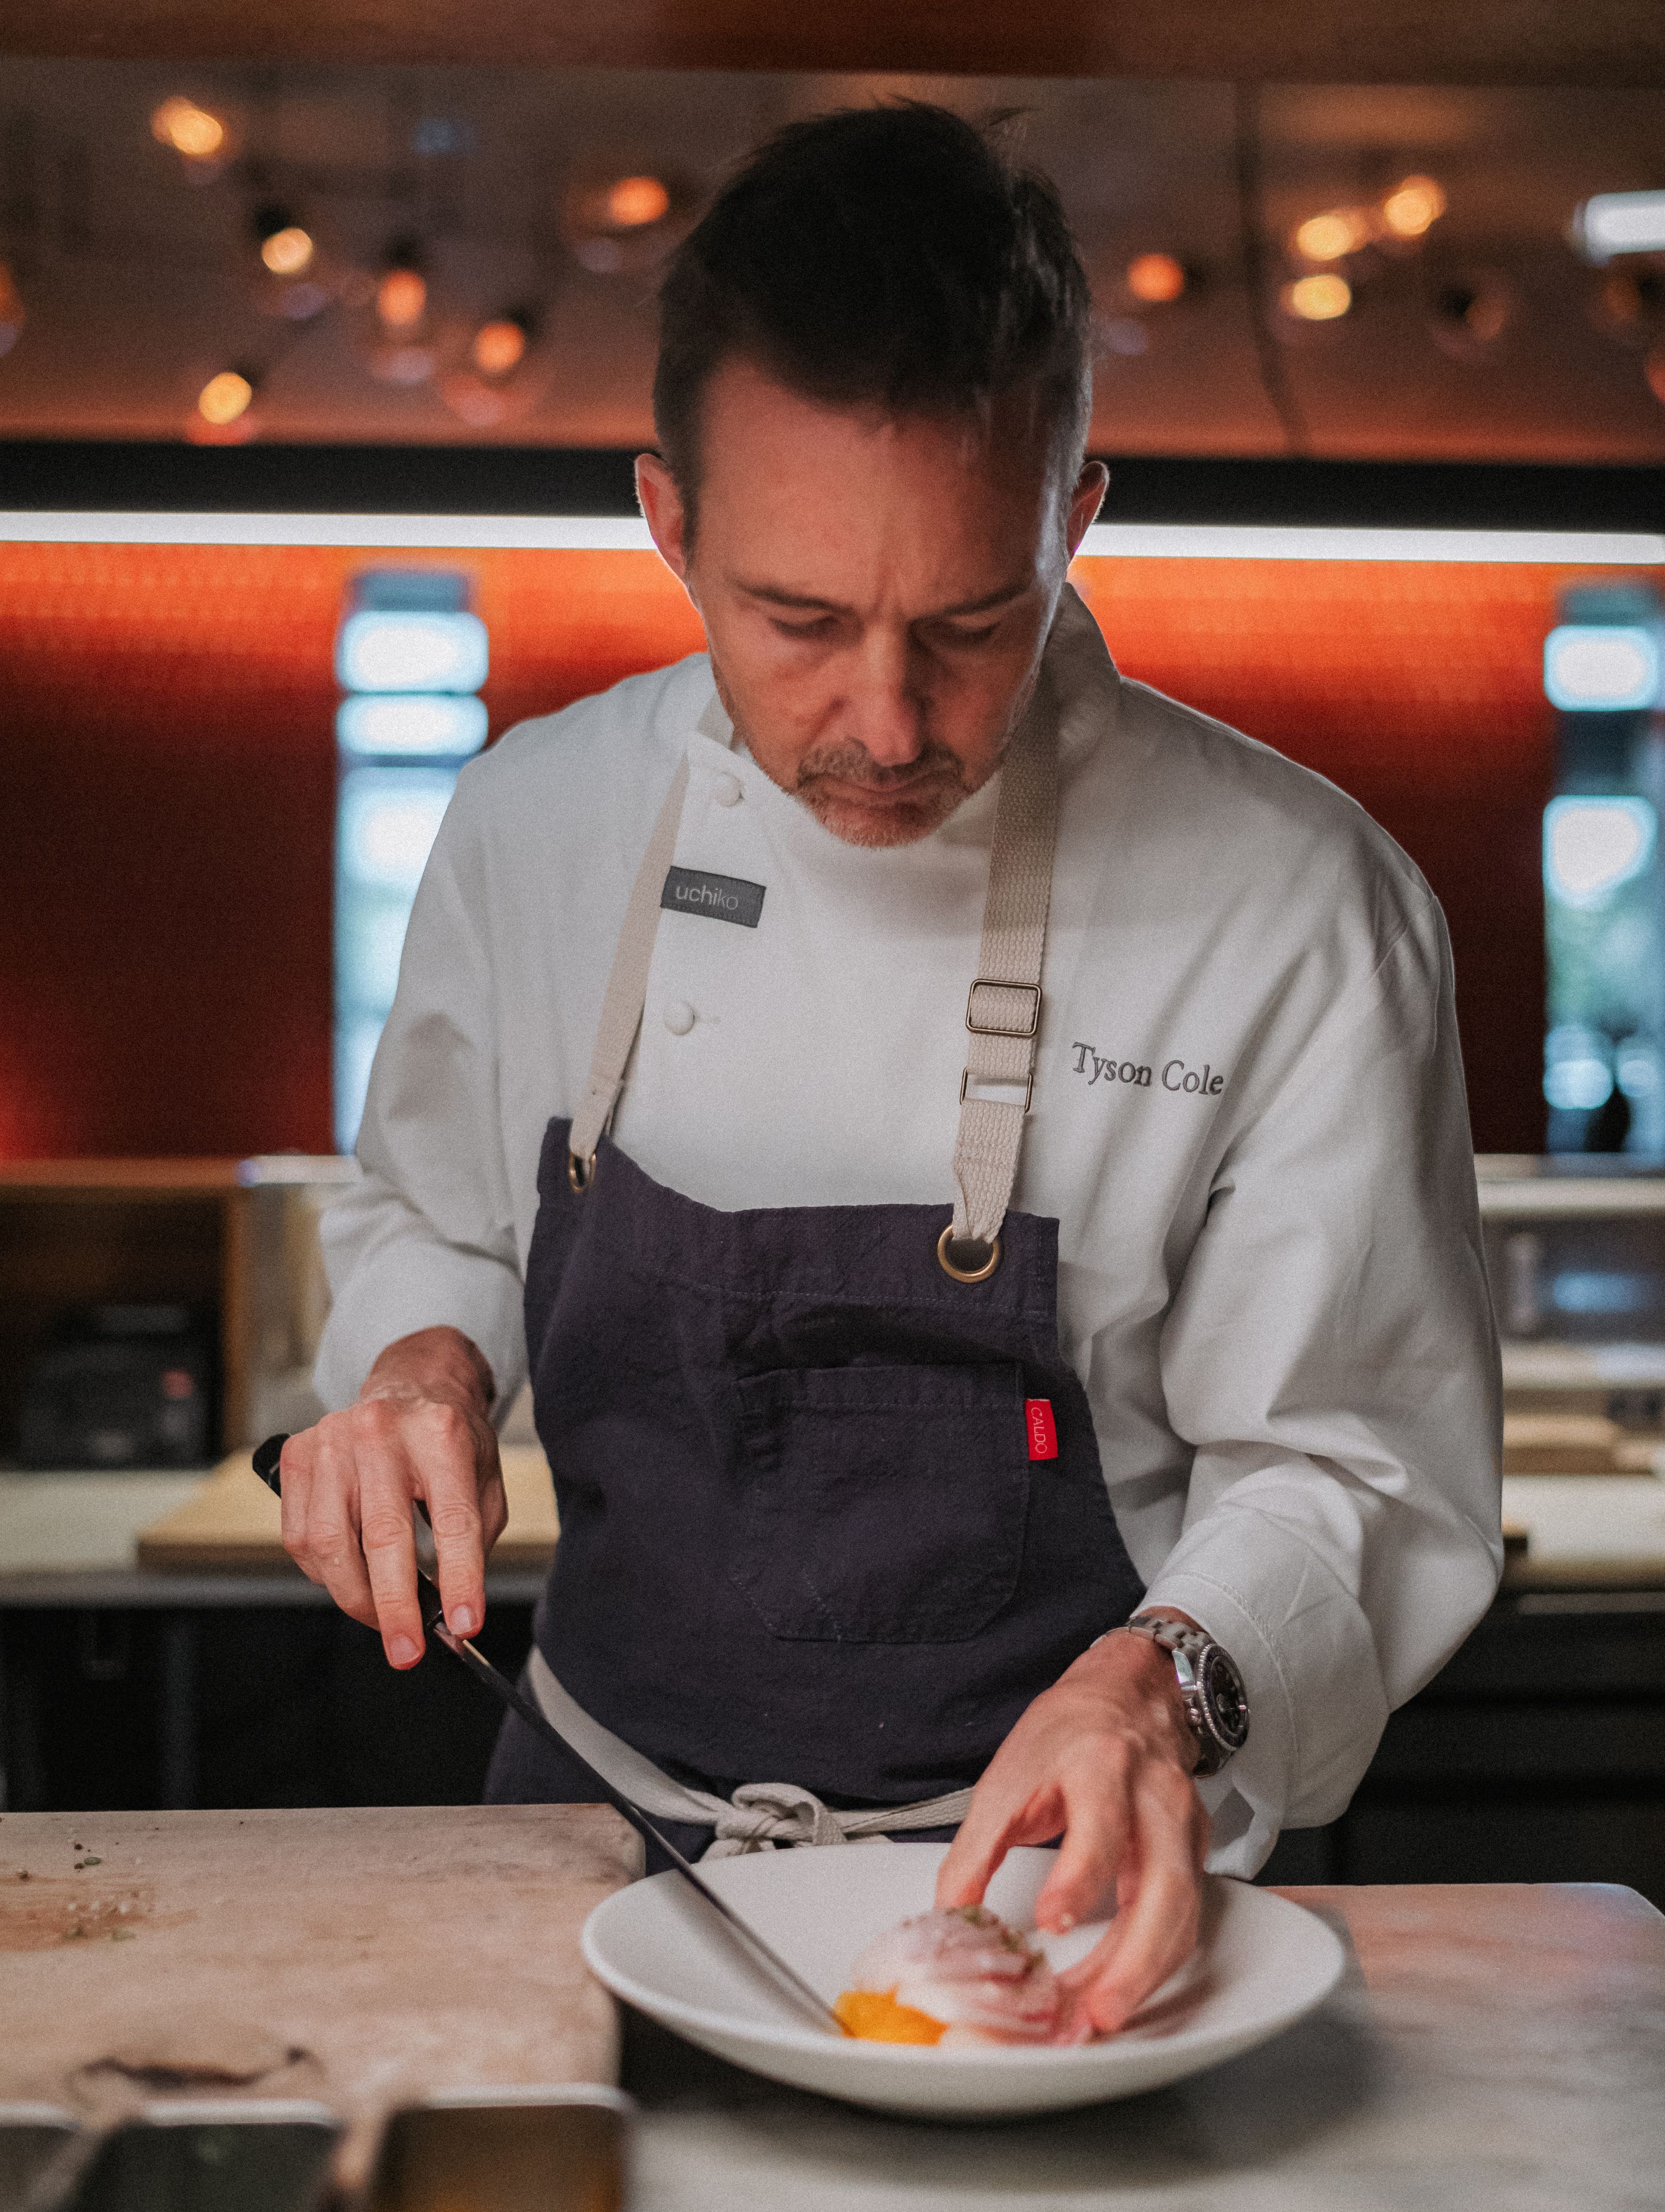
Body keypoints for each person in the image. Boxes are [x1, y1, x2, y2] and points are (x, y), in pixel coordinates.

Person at [283, 104, 1501, 2036]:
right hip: (578, 1851)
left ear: (1073, 511)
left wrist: (1157, 1684)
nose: (885, 719)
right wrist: (418, 1363)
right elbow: (429, 1214)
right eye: (797, 619)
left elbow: (1356, 1462)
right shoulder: (531, 825)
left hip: (1054, 1901)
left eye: (970, 620)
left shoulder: (1297, 905)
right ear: (667, 520)